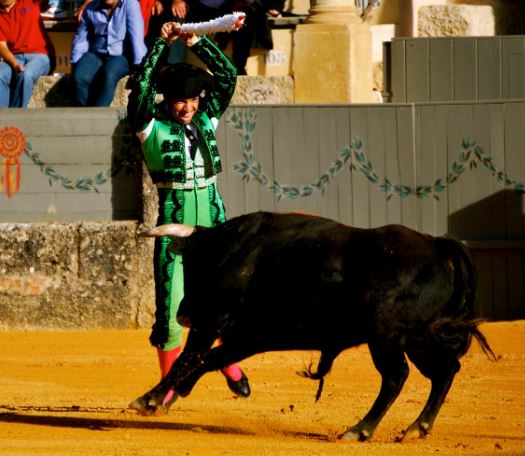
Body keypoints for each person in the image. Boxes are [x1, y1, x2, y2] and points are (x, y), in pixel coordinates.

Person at [127, 21, 250, 409]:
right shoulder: (149, 126)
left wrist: (196, 42)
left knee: (221, 304)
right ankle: (166, 388)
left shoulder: (205, 118)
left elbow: (228, 77)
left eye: (194, 100)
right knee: (170, 310)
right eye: (181, 101)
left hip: (214, 225)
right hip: (174, 229)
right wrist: (161, 44)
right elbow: (141, 89)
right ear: (167, 100)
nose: (189, 107)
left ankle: (228, 365)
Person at [69, 0, 147, 107]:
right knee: (79, 76)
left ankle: (98, 114)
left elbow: (136, 36)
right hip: (97, 53)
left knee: (109, 74)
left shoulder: (130, 4)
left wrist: (140, 66)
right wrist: (75, 63)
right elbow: (81, 38)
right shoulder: (91, 8)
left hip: (122, 55)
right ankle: (82, 113)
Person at [0, 0, 55, 108]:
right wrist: (14, 63)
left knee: (26, 75)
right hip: (15, 57)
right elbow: (2, 46)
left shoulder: (29, 1)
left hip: (41, 55)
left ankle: (15, 120)